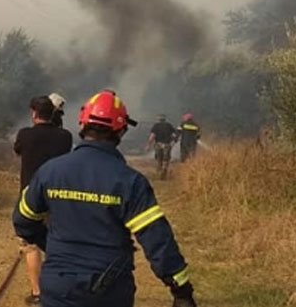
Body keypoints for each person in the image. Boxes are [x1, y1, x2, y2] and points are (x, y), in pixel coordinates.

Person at [13, 90, 197, 307]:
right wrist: (181, 289)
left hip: (58, 288)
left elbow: (22, 220)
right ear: (121, 131)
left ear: (82, 125)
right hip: (109, 290)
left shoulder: (49, 172)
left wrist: (50, 244)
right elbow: (157, 239)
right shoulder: (130, 182)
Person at [14, 95, 73, 305]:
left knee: (31, 245)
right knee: (56, 243)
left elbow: (18, 149)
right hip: (58, 198)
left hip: (30, 198)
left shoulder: (25, 135)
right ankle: (58, 292)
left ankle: (38, 293)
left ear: (33, 113)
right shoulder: (65, 137)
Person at [146, 114, 178, 179]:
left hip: (158, 145)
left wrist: (148, 145)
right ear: (165, 119)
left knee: (159, 159)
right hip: (167, 145)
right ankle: (164, 170)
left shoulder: (156, 126)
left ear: (158, 119)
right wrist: (173, 142)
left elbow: (152, 136)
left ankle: (159, 171)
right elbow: (174, 135)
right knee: (166, 159)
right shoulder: (169, 126)